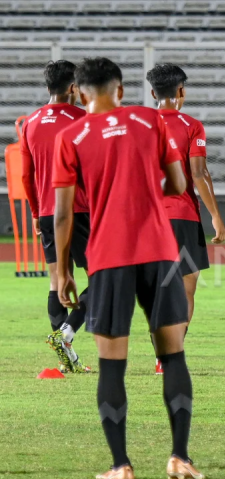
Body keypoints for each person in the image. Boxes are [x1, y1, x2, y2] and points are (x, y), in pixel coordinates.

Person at [52, 57, 202, 479]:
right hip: (159, 248)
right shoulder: (148, 121)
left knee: (112, 363)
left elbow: (63, 215)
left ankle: (121, 465)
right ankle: (179, 458)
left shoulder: (72, 135)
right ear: (120, 91)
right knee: (172, 354)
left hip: (108, 255)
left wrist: (63, 270)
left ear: (80, 94)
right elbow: (176, 184)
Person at [146, 63, 225, 374]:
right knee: (185, 290)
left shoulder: (139, 125)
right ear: (181, 91)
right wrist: (216, 216)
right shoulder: (192, 126)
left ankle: (160, 354)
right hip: (182, 217)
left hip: (147, 218)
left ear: (153, 92)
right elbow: (199, 173)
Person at [19, 60, 91, 373]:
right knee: (101, 278)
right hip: (78, 209)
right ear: (73, 87)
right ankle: (67, 333)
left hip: (47, 211)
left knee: (56, 281)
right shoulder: (81, 118)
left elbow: (26, 175)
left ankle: (67, 362)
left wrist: (36, 213)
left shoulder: (29, 123)